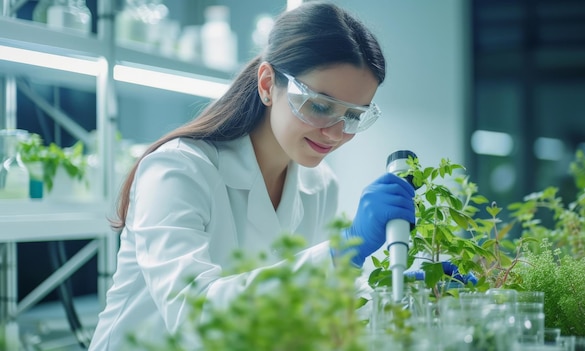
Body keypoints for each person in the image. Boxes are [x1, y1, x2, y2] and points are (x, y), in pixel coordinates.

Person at [88, 2, 416, 350]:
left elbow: (317, 304)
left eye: (353, 116)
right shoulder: (177, 170)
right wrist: (338, 254)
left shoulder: (319, 185)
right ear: (267, 84)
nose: (335, 134)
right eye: (320, 106)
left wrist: (393, 291)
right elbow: (195, 317)